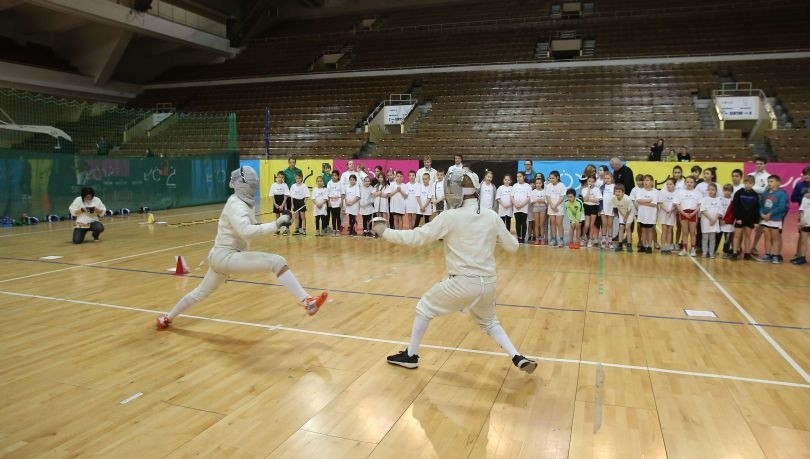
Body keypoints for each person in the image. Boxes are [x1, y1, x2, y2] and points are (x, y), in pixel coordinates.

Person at [373, 169, 537, 374]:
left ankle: (411, 355)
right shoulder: (491, 216)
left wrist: (384, 232)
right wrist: (490, 234)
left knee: (424, 308)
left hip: (463, 283)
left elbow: (417, 238)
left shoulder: (450, 217)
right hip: (488, 283)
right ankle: (517, 356)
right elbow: (513, 246)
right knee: (489, 322)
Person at [155, 166, 327, 329]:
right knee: (277, 262)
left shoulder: (243, 203)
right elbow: (246, 231)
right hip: (226, 257)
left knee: (199, 293)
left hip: (222, 258)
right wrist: (276, 224)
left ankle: (167, 318)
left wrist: (279, 222)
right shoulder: (236, 204)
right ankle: (308, 301)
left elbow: (250, 226)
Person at [757, 175, 789, 264]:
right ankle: (768, 254)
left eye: (771, 181)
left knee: (775, 238)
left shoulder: (781, 193)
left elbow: (782, 206)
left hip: (775, 219)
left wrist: (770, 214)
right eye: (768, 181)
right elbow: (761, 205)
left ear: (778, 183)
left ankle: (775, 255)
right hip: (765, 219)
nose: (769, 183)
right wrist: (762, 214)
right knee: (767, 237)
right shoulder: (765, 193)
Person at [731, 176, 760, 261]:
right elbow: (735, 206)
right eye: (746, 183)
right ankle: (735, 252)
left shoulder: (755, 195)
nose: (748, 185)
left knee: (748, 236)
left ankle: (747, 253)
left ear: (753, 184)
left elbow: (756, 208)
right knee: (737, 236)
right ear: (744, 183)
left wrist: (756, 221)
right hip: (740, 218)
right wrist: (738, 217)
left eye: (750, 183)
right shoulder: (739, 193)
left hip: (750, 219)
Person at [749, 157, 771, 256]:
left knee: (760, 227)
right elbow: (747, 187)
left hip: (761, 204)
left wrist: (753, 188)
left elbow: (764, 190)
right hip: (749, 204)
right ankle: (744, 247)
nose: (758, 165)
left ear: (765, 164)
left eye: (761, 164)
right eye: (757, 163)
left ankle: (753, 246)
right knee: (746, 226)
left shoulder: (768, 177)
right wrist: (757, 189)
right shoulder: (750, 175)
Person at [675, 176, 700, 257]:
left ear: (694, 183)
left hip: (693, 213)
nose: (689, 184)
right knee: (685, 232)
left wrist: (693, 213)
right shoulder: (680, 192)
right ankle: (684, 249)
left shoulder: (697, 192)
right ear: (685, 183)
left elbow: (699, 205)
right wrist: (683, 213)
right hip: (683, 213)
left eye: (691, 182)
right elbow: (677, 204)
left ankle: (693, 249)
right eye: (688, 182)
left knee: (693, 233)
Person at [789, 167, 810, 262]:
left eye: (809, 174)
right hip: (804, 213)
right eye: (805, 174)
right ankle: (799, 255)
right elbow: (793, 198)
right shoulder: (799, 185)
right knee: (802, 235)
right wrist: (803, 196)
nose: (807, 176)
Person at [635, 175, 659, 254]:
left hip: (651, 215)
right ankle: (644, 245)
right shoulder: (640, 191)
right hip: (642, 214)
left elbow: (654, 204)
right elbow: (638, 200)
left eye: (648, 180)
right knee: (643, 230)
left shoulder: (655, 191)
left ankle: (649, 246)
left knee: (649, 231)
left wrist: (643, 202)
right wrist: (649, 200)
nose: (645, 182)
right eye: (645, 180)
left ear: (652, 182)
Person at [699, 183, 722, 258]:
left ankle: (711, 253)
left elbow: (720, 211)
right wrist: (711, 219)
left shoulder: (719, 200)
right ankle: (704, 252)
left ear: (716, 191)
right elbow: (703, 210)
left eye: (713, 190)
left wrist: (715, 219)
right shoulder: (704, 199)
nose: (711, 191)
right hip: (706, 221)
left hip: (714, 222)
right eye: (709, 190)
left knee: (712, 238)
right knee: (705, 237)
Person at [546, 170, 566, 247]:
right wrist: (551, 205)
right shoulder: (549, 186)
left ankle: (561, 239)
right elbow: (547, 196)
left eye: (553, 178)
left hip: (559, 207)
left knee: (559, 223)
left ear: (557, 177)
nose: (551, 180)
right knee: (553, 223)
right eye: (550, 178)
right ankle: (554, 239)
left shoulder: (562, 185)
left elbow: (562, 197)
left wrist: (555, 205)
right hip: (551, 207)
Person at [613, 184, 634, 253]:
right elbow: (618, 207)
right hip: (622, 213)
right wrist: (623, 216)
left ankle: (629, 245)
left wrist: (626, 217)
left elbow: (629, 209)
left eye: (619, 191)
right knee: (621, 228)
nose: (617, 193)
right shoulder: (614, 198)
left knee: (627, 228)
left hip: (629, 213)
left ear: (623, 192)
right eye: (616, 191)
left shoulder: (627, 199)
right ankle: (620, 245)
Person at [581, 176, 601, 248]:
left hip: (594, 207)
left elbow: (598, 200)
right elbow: (585, 199)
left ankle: (590, 240)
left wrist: (590, 199)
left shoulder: (597, 190)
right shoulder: (584, 189)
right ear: (587, 182)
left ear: (595, 182)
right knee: (586, 224)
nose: (591, 183)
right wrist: (589, 190)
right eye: (589, 181)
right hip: (587, 207)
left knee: (592, 224)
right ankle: (583, 238)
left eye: (592, 182)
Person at [658, 178, 677, 254]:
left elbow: (677, 204)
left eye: (670, 184)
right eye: (667, 184)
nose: (668, 186)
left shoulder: (677, 193)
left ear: (674, 185)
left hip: (672, 214)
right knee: (664, 230)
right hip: (664, 213)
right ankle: (663, 248)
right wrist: (666, 210)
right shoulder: (662, 191)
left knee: (670, 231)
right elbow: (660, 202)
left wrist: (671, 210)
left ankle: (668, 248)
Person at [512, 171, 531, 243]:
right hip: (516, 207)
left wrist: (522, 204)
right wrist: (515, 204)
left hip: (524, 207)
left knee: (523, 222)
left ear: (524, 177)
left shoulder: (528, 186)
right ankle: (518, 236)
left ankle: (522, 237)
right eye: (517, 177)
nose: (518, 178)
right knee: (517, 222)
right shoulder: (514, 186)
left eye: (520, 176)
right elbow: (512, 196)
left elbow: (529, 197)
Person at [792, 188, 810, 265]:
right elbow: (801, 210)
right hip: (805, 223)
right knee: (803, 241)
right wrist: (801, 220)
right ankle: (802, 257)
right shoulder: (805, 198)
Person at [270, 171, 290, 236]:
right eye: (279, 177)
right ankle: (277, 230)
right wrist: (275, 204)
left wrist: (282, 205)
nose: (280, 178)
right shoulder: (273, 185)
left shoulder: (285, 185)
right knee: (277, 216)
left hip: (283, 201)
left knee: (284, 216)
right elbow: (272, 196)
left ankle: (285, 230)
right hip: (276, 201)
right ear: (277, 177)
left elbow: (286, 196)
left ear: (283, 178)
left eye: (282, 177)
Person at [719, 184, 735, 258]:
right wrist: (719, 219)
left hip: (728, 224)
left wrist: (726, 221)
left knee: (727, 239)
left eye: (729, 190)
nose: (727, 192)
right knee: (717, 238)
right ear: (723, 191)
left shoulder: (733, 201)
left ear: (731, 191)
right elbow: (717, 210)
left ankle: (725, 252)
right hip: (720, 222)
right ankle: (713, 251)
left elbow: (732, 213)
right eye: (725, 190)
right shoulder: (719, 199)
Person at [599, 173, 615, 250]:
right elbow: (600, 199)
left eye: (608, 178)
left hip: (611, 208)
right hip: (603, 208)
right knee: (604, 224)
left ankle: (610, 240)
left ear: (611, 178)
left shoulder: (614, 187)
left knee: (610, 225)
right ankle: (604, 240)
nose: (607, 180)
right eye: (605, 178)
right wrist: (599, 209)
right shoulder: (601, 187)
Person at [530, 175, 547, 246]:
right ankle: (537, 238)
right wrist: (536, 200)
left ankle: (542, 238)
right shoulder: (533, 192)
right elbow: (531, 201)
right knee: (536, 224)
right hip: (536, 208)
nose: (538, 184)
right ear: (535, 184)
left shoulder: (544, 191)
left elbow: (547, 201)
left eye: (540, 183)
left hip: (543, 208)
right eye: (537, 183)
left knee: (541, 224)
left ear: (542, 184)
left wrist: (543, 201)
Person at [327, 170, 343, 236]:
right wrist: (328, 202)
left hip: (338, 201)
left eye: (335, 175)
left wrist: (341, 202)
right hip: (331, 201)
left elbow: (342, 193)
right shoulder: (329, 183)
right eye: (333, 175)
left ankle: (338, 229)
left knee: (338, 216)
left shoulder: (341, 183)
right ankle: (334, 230)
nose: (334, 176)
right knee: (333, 216)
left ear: (338, 176)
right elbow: (327, 193)